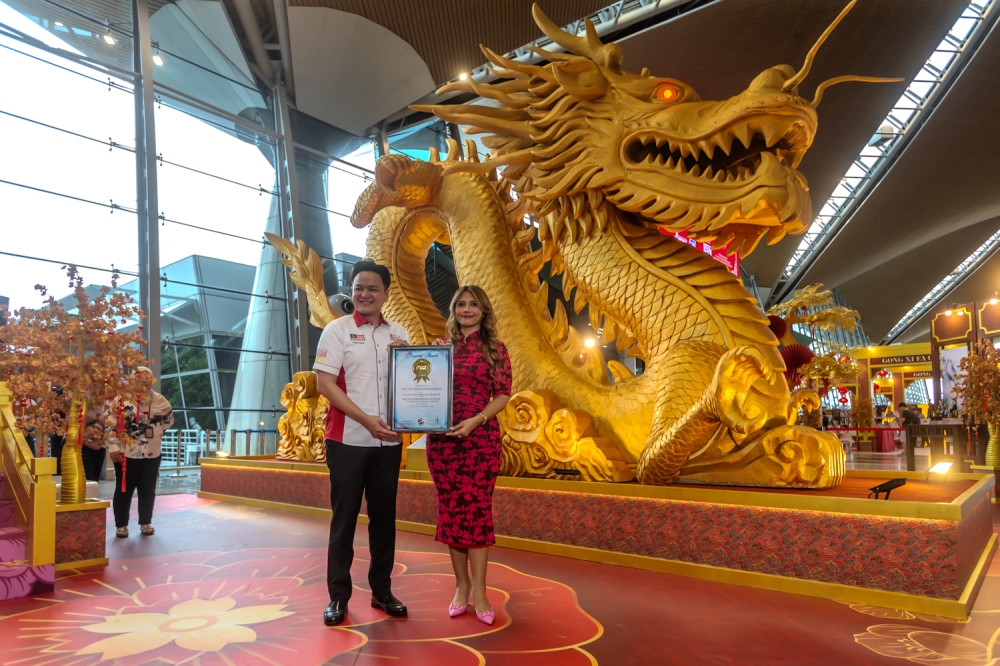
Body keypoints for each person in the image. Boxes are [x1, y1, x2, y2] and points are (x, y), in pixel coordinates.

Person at [314, 260, 410, 627]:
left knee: (384, 521)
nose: (364, 294)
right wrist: (367, 421)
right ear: (352, 291)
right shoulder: (336, 331)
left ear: (386, 294)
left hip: (390, 443)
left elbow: (413, 385)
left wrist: (422, 356)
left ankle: (382, 592)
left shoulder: (397, 333)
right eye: (358, 288)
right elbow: (325, 386)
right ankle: (338, 596)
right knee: (344, 521)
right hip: (348, 440)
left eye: (372, 288)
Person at [427, 286, 512, 625]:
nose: (466, 310)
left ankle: (480, 591)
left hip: (480, 442)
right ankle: (461, 587)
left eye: (472, 304)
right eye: (460, 304)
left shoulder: (496, 349)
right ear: (454, 310)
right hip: (443, 442)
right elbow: (419, 387)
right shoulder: (441, 348)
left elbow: (503, 395)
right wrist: (421, 356)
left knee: (476, 515)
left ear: (483, 310)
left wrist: (476, 421)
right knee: (451, 515)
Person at [106, 367, 173, 538]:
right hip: (126, 454)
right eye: (139, 377)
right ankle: (121, 525)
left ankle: (145, 522)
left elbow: (168, 421)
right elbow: (109, 425)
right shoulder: (120, 401)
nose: (143, 381)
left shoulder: (161, 401)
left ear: (152, 380)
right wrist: (114, 447)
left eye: (147, 378)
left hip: (152, 453)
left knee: (148, 489)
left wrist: (155, 433)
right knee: (123, 490)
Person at [81, 407, 107, 482]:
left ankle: (93, 493)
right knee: (87, 478)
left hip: (100, 446)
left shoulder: (107, 404)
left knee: (95, 479)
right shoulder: (82, 403)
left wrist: (102, 441)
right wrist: (87, 443)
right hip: (83, 446)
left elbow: (111, 426)